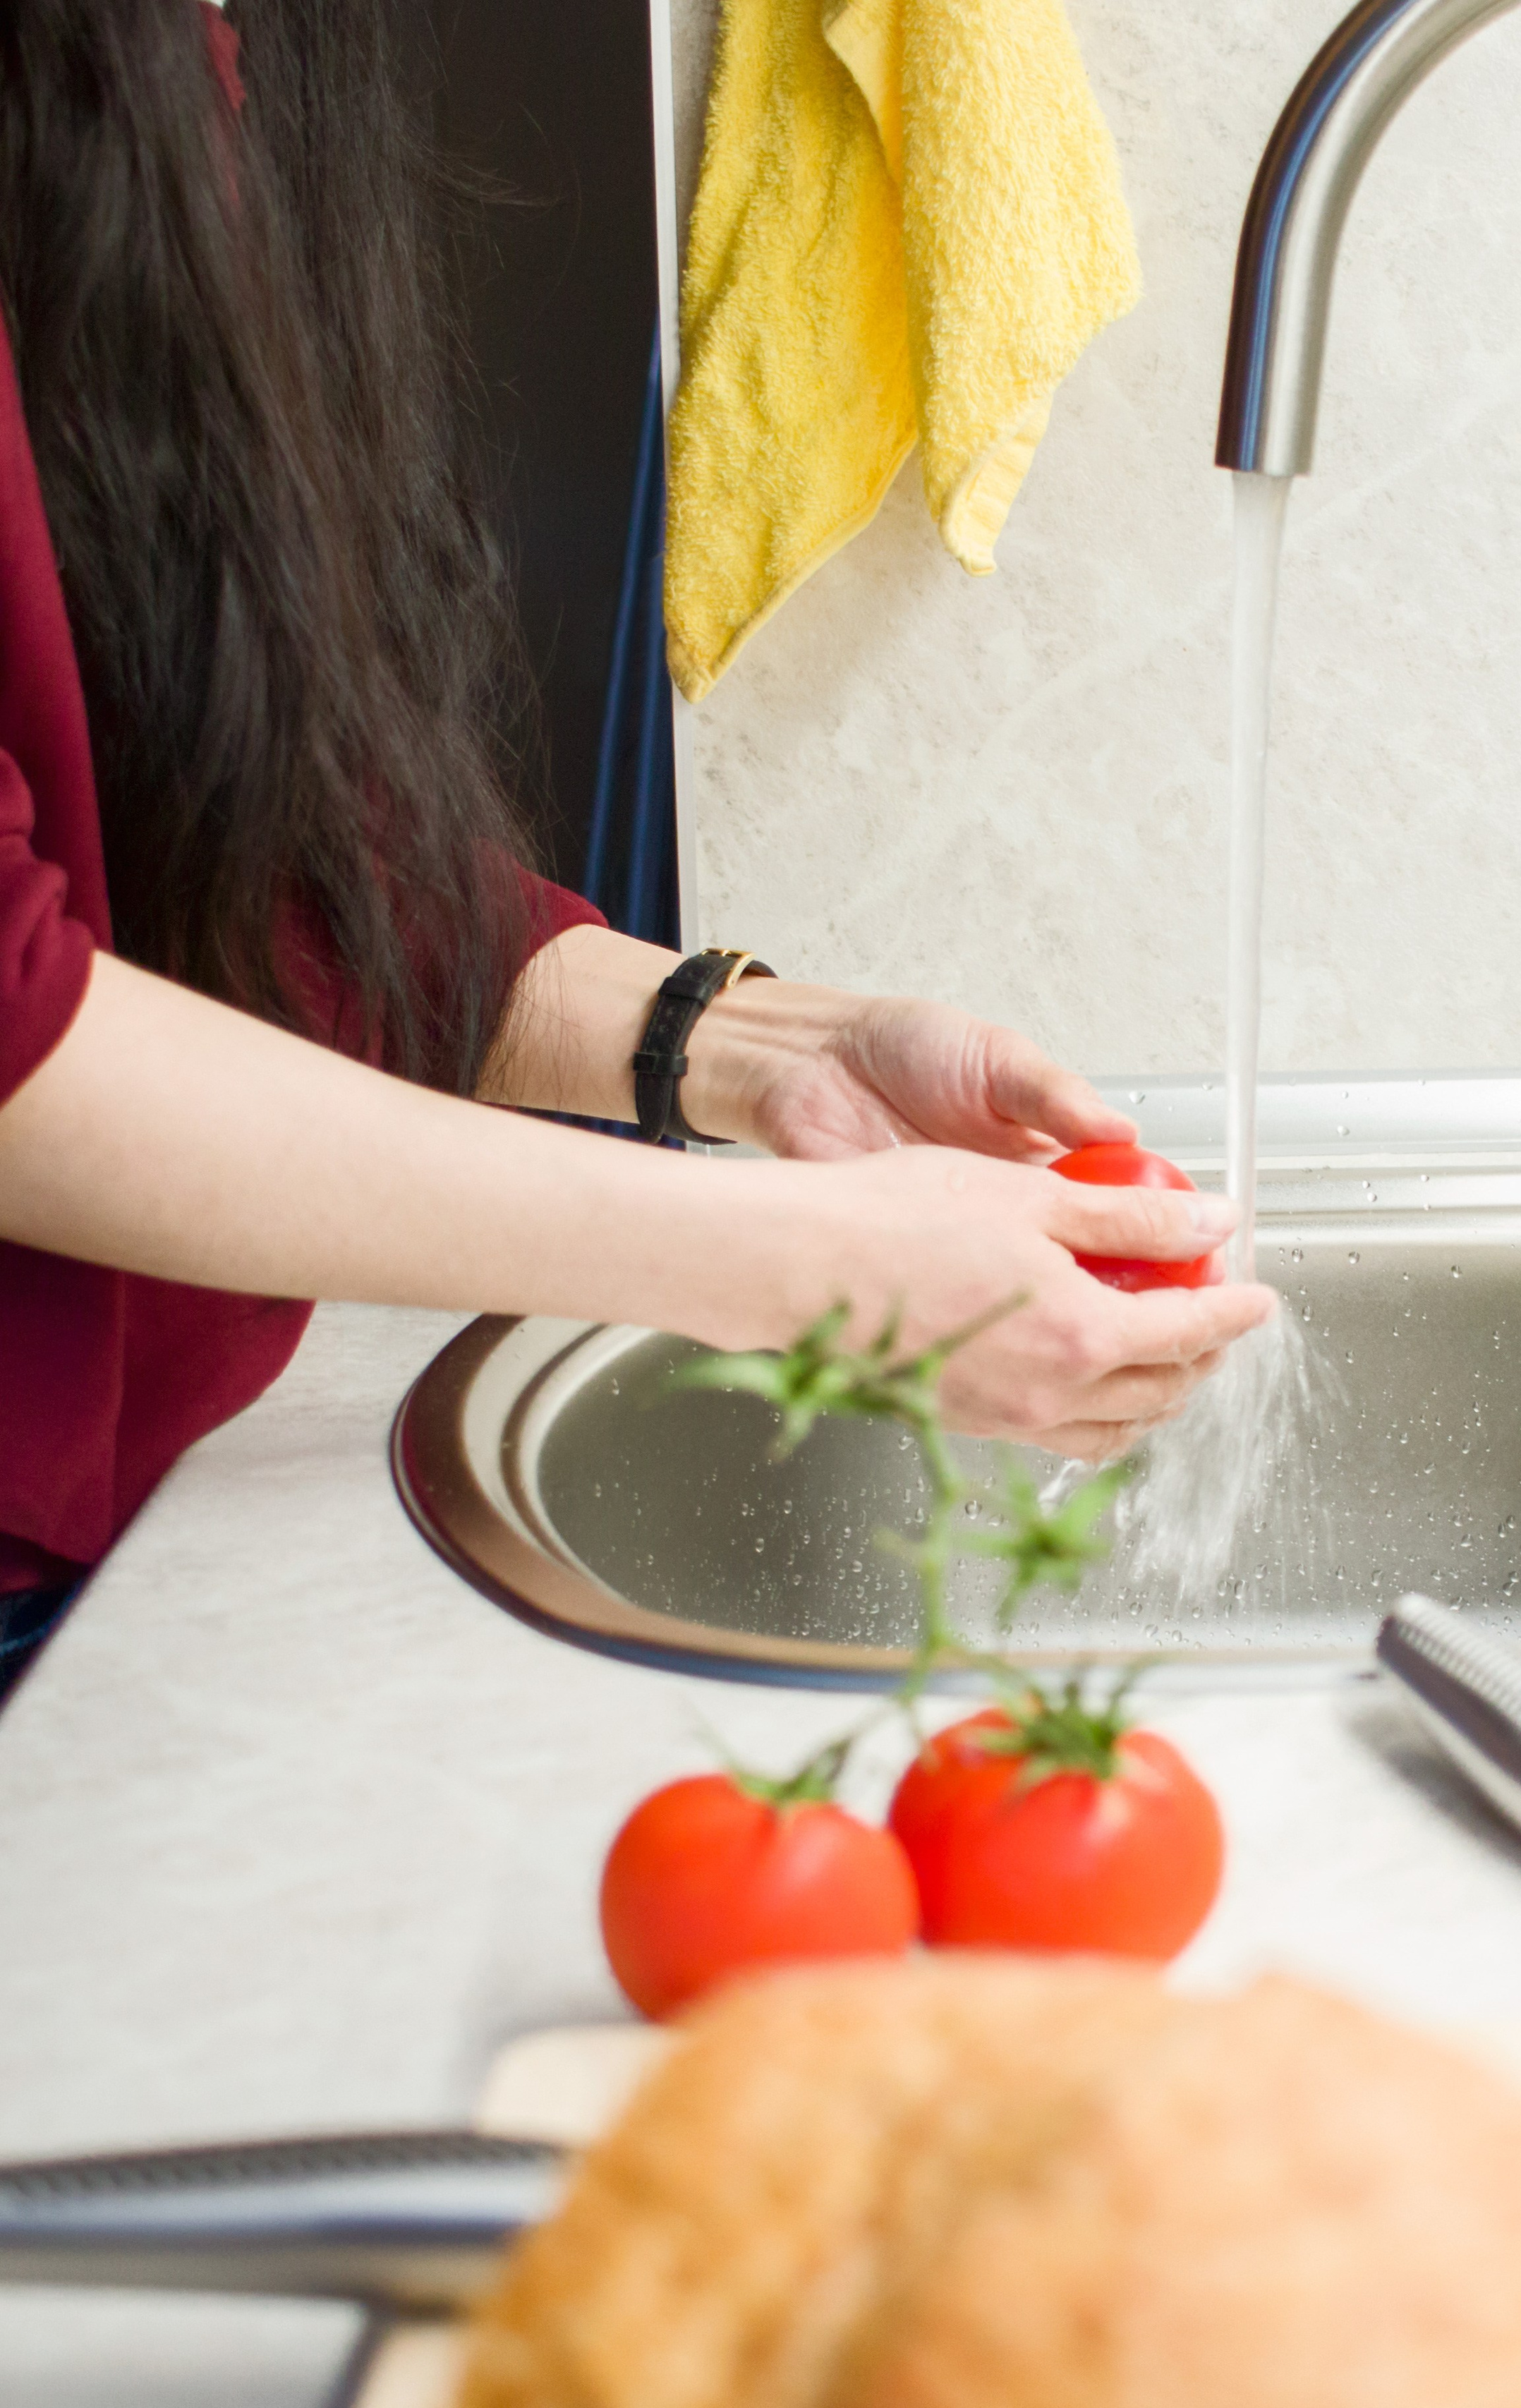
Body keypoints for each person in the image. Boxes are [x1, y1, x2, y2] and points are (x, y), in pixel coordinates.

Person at [0, 0, 1273, 1701]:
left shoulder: (171, 58)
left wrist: (759, 1047)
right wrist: (824, 1280)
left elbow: (243, 852)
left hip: (119, 1536)